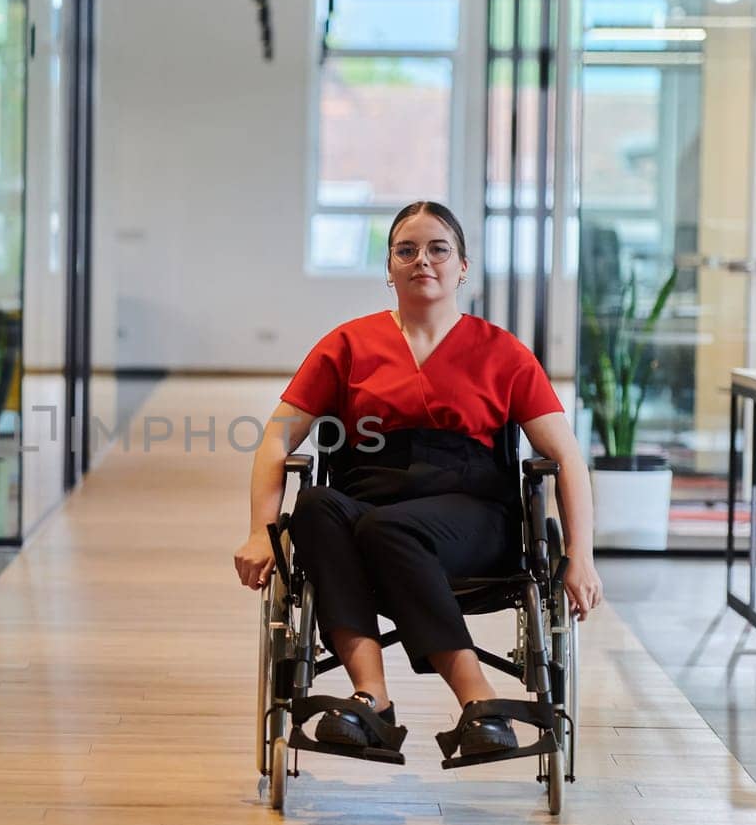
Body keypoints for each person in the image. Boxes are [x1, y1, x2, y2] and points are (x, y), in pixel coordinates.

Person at [232, 201, 603, 759]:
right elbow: (277, 438)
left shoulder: (501, 352)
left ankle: (478, 698)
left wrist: (581, 553)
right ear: (389, 268)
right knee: (314, 509)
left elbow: (565, 456)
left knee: (387, 529)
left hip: (473, 513)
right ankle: (372, 698)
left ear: (462, 267)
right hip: (371, 504)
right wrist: (262, 530)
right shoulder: (349, 345)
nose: (421, 261)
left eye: (438, 249)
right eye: (406, 250)